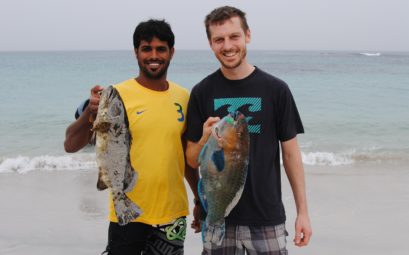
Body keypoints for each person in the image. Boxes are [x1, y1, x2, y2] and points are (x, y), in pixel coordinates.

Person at [64, 19, 203, 255]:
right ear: (136, 52)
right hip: (126, 212)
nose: (153, 55)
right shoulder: (115, 95)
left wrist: (199, 199)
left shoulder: (183, 96)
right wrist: (90, 112)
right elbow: (70, 144)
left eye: (161, 49)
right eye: (146, 49)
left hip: (173, 214)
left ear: (172, 52)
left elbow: (185, 156)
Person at [185, 6, 312, 254]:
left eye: (234, 36)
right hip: (217, 217)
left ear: (248, 36)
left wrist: (303, 213)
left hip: (267, 218)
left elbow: (291, 155)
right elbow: (190, 160)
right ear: (211, 44)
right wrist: (203, 139)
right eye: (219, 39)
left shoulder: (277, 90)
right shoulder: (201, 92)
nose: (228, 45)